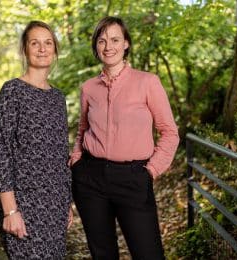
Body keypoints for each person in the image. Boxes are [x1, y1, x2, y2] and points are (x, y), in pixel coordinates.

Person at [70, 16, 179, 260]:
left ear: (126, 43)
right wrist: (77, 159)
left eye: (115, 39)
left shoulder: (148, 82)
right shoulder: (89, 88)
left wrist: (150, 170)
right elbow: (82, 130)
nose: (108, 46)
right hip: (91, 179)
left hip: (133, 179)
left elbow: (170, 132)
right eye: (102, 41)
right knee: (103, 254)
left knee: (148, 254)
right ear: (96, 47)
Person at [0, 20, 72, 259]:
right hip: (22, 204)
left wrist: (67, 202)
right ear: (25, 49)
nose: (42, 49)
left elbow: (60, 154)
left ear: (55, 50)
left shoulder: (58, 98)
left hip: (55, 204)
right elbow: (0, 153)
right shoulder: (11, 92)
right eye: (35, 43)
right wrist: (10, 210)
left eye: (48, 43)